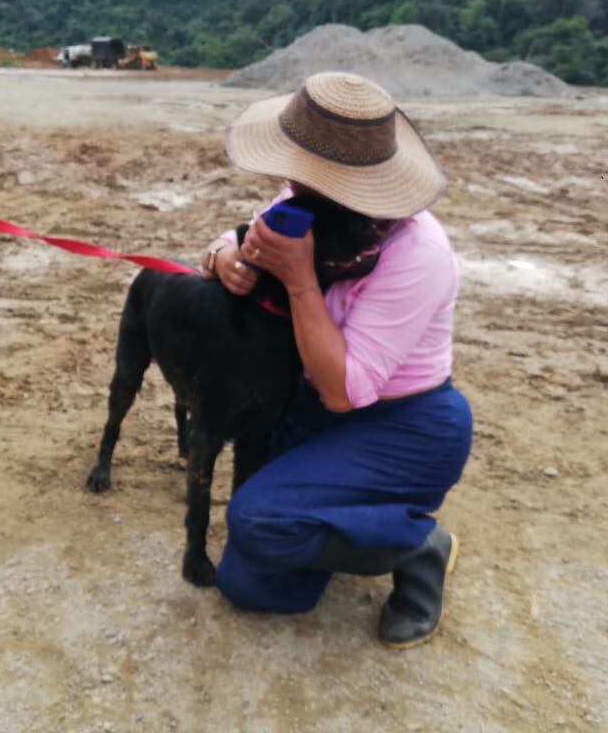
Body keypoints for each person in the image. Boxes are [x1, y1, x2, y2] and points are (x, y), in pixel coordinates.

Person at [200, 71, 473, 648]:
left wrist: (299, 279)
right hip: (315, 409)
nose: (292, 184)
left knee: (259, 520)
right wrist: (224, 254)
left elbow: (343, 390)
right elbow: (246, 234)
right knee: (246, 582)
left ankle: (417, 547)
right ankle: (346, 524)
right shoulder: (307, 204)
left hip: (403, 427)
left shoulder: (418, 253)